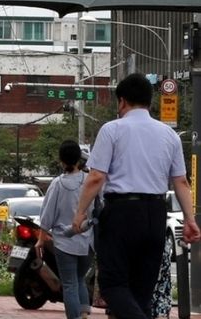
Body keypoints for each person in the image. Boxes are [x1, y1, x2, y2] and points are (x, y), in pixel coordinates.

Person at [73, 73, 201, 319]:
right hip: (156, 214)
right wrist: (190, 219)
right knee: (142, 292)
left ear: (122, 101)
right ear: (150, 101)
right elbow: (181, 182)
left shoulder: (112, 129)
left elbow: (96, 176)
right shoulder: (169, 135)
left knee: (112, 285)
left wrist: (79, 213)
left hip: (122, 213)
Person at [35, 140, 94, 319]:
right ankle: (84, 313)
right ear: (79, 159)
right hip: (87, 241)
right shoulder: (89, 181)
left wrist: (41, 239)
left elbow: (47, 215)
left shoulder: (58, 184)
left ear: (61, 160)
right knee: (79, 279)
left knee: (69, 284)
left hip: (64, 241)